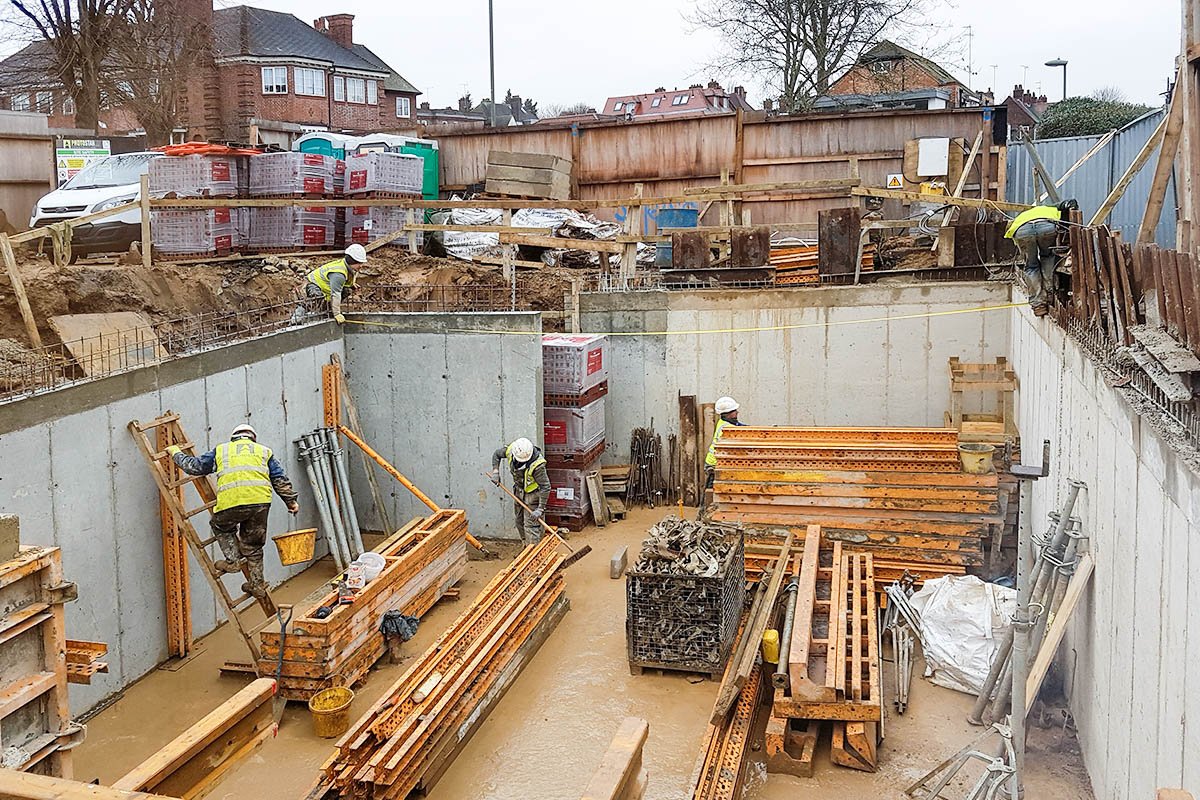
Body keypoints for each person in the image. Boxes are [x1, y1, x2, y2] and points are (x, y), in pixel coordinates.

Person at [167, 424, 299, 601]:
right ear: (253, 438)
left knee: (220, 526)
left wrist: (175, 452)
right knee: (253, 546)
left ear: (234, 438)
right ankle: (257, 585)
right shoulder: (264, 452)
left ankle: (233, 561)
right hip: (260, 504)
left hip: (232, 503)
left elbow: (195, 468)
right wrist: (291, 502)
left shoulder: (222, 450)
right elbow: (279, 479)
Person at [1005, 199, 1077, 316]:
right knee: (1047, 257)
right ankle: (1050, 294)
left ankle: (1038, 304)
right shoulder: (1052, 210)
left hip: (1023, 230)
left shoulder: (1026, 214)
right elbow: (1066, 221)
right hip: (1046, 227)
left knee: (1031, 265)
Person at [489, 437, 551, 545]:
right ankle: (526, 547)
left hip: (533, 494)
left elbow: (545, 487)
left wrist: (540, 509)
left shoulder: (538, 465)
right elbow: (497, 455)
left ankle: (534, 554)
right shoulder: (511, 450)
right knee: (519, 521)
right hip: (519, 490)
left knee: (531, 525)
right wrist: (495, 472)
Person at [294, 243, 368, 324]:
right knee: (316, 298)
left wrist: (351, 284)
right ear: (352, 261)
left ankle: (327, 312)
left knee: (346, 290)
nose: (361, 265)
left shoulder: (346, 266)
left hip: (324, 286)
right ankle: (296, 318)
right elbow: (336, 294)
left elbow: (344, 282)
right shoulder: (338, 274)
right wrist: (337, 314)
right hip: (312, 284)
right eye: (359, 263)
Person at [705, 396, 745, 489]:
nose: (737, 412)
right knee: (713, 491)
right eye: (735, 411)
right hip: (715, 463)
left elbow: (739, 425)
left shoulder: (724, 421)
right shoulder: (727, 428)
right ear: (729, 414)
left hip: (717, 461)